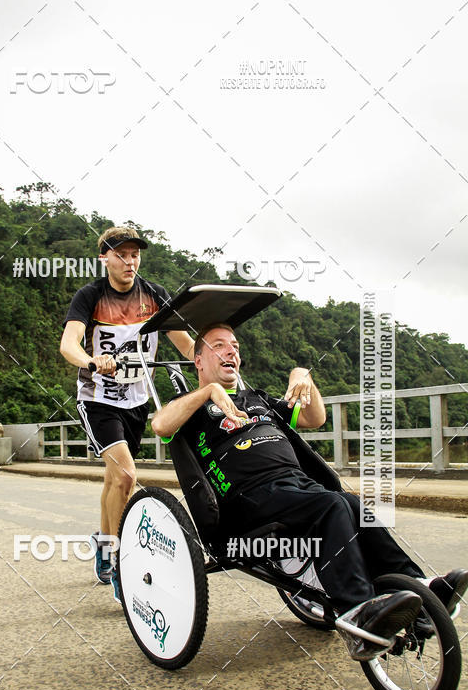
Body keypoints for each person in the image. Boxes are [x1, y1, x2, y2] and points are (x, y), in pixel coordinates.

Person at [151, 323, 468, 658]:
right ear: (198, 361)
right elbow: (160, 425)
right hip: (245, 500)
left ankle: (421, 592)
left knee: (352, 504)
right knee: (331, 505)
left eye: (236, 346)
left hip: (296, 487)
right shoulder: (190, 406)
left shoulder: (257, 399)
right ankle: (357, 611)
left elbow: (315, 417)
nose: (232, 351)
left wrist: (302, 375)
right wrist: (207, 393)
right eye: (219, 346)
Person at [60, 226, 195, 601]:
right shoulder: (89, 296)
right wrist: (90, 361)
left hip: (137, 401)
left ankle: (103, 547)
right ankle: (122, 562)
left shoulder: (154, 295)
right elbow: (68, 344)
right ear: (104, 258)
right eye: (121, 254)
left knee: (113, 480)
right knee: (126, 475)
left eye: (135, 254)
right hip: (98, 397)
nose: (130, 261)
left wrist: (213, 358)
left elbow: (185, 345)